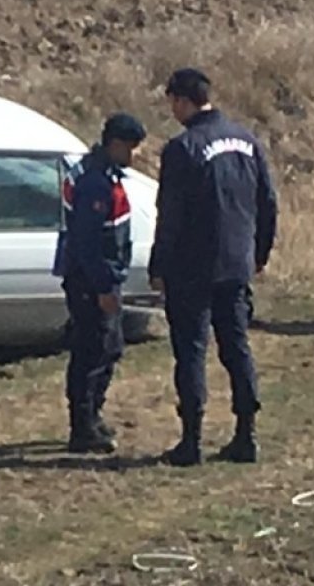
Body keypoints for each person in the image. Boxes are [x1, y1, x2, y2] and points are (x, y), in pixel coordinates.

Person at [149, 68, 279, 466]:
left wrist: (159, 265)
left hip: (191, 267)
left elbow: (169, 215)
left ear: (182, 101)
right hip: (236, 263)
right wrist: (259, 253)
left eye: (172, 102)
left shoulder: (182, 148)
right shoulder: (246, 139)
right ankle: (246, 433)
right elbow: (268, 202)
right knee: (236, 347)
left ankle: (191, 440)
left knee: (190, 352)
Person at [53, 112, 146, 454]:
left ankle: (92, 415)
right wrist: (103, 288)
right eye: (131, 148)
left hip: (95, 276)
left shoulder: (101, 173)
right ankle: (83, 426)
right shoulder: (95, 181)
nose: (135, 156)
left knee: (110, 346)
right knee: (92, 351)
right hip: (89, 281)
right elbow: (88, 243)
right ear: (116, 145)